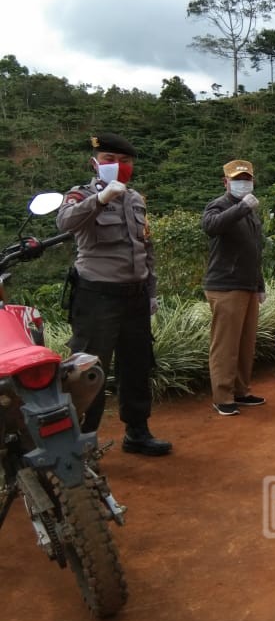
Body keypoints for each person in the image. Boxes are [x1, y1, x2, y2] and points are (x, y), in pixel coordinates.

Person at [56, 132, 171, 456]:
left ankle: (137, 431)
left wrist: (151, 290)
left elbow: (145, 247)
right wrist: (101, 199)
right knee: (89, 371)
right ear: (95, 163)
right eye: (109, 160)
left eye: (124, 161)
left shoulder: (136, 199)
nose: (117, 166)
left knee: (137, 365)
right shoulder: (80, 195)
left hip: (134, 296)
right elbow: (64, 223)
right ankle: (84, 443)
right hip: (97, 297)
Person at [201, 160, 267, 417]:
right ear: (225, 182)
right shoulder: (220, 204)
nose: (243, 182)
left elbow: (254, 251)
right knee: (225, 345)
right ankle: (222, 395)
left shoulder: (250, 210)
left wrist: (259, 284)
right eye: (237, 178)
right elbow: (210, 226)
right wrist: (241, 208)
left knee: (245, 343)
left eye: (247, 178)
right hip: (226, 285)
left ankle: (241, 390)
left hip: (247, 284)